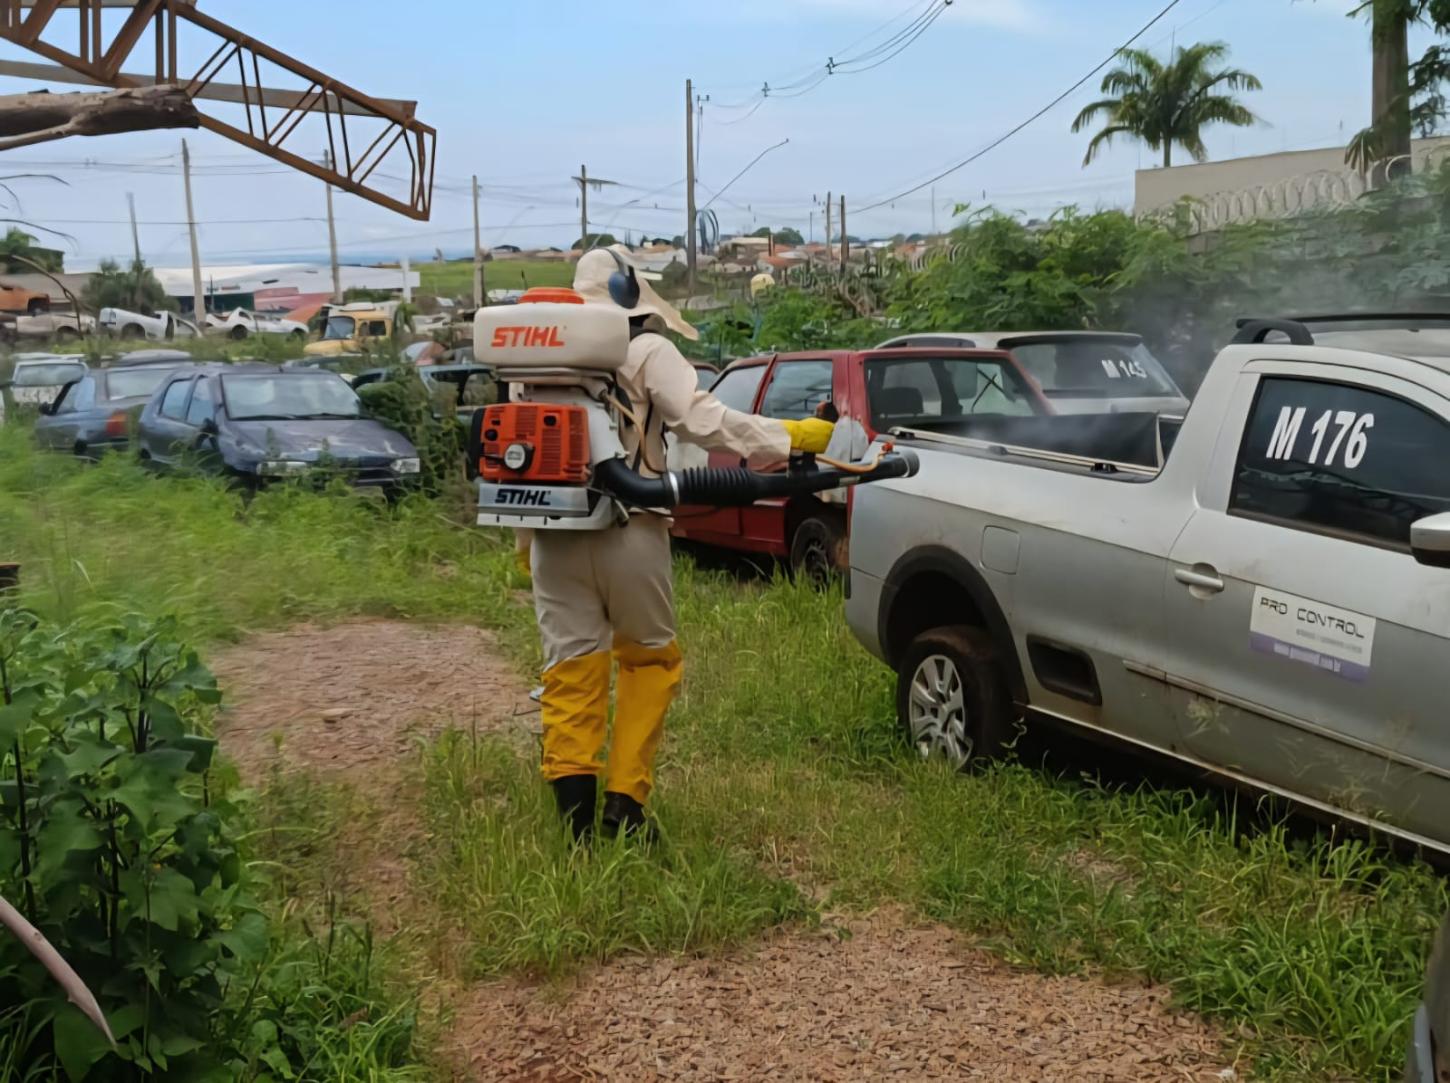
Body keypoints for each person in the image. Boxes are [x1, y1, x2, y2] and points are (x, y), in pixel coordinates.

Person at [531, 247, 833, 840]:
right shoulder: (643, 349)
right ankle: (624, 809)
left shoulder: (537, 355)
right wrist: (789, 434)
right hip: (631, 528)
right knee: (649, 660)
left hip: (553, 536)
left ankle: (577, 834)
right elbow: (703, 420)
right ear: (627, 293)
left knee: (571, 672)